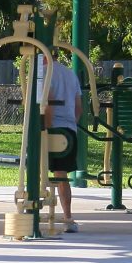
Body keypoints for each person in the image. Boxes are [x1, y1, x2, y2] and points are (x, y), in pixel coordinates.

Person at [44, 54, 83, 233]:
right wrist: (70, 124)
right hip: (69, 130)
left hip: (53, 129)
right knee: (62, 176)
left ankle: (31, 212)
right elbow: (78, 107)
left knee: (37, 169)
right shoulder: (70, 73)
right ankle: (67, 216)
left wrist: (45, 130)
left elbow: (48, 104)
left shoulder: (44, 72)